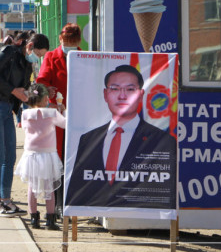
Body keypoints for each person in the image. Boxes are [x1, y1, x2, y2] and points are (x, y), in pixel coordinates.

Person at [65, 65, 176, 208]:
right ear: (105, 94)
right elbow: (78, 189)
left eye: (130, 89)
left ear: (141, 94)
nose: (122, 95)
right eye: (115, 88)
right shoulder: (88, 139)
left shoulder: (161, 140)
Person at [0, 30, 49, 217]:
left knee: (9, 157)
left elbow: (24, 89)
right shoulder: (8, 51)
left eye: (41, 56)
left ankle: (6, 200)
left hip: (6, 107)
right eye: (38, 53)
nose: (38, 58)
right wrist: (13, 91)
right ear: (30, 46)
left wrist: (33, 97)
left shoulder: (26, 63)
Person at [36, 23, 82, 214]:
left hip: (78, 114)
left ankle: (73, 201)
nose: (69, 45)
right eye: (66, 41)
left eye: (73, 42)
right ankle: (57, 204)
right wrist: (49, 92)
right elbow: (41, 81)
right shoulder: (51, 56)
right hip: (57, 116)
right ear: (60, 39)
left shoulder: (83, 56)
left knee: (75, 157)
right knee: (58, 160)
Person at [14, 83, 66, 230]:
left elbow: (25, 128)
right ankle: (50, 219)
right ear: (45, 99)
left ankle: (33, 218)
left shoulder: (25, 115)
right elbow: (65, 124)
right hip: (48, 153)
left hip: (31, 153)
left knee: (32, 187)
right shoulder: (51, 113)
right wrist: (63, 111)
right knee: (49, 187)